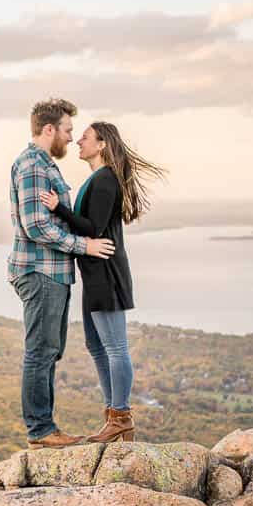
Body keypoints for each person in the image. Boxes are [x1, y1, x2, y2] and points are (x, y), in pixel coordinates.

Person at [43, 121, 166, 443]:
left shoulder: (106, 179)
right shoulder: (98, 179)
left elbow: (92, 227)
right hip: (94, 274)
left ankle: (121, 416)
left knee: (114, 347)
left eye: (84, 138)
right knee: (96, 346)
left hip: (106, 273)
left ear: (101, 145)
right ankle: (112, 415)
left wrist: (59, 209)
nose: (78, 142)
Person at [8, 98, 116, 449]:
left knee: (49, 350)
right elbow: (37, 225)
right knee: (40, 351)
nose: (71, 138)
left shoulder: (43, 164)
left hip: (52, 272)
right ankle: (40, 431)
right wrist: (84, 246)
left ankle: (45, 427)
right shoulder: (33, 166)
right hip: (41, 270)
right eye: (68, 130)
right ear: (49, 128)